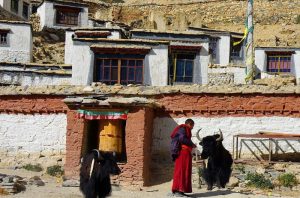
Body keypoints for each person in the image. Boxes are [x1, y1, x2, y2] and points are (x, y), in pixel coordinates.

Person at [170, 119, 197, 197]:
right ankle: (178, 190)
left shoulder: (184, 129)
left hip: (184, 153)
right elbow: (182, 139)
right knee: (181, 171)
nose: (192, 128)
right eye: (192, 126)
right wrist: (192, 144)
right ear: (189, 124)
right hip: (183, 153)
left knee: (182, 171)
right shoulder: (183, 128)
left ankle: (180, 190)